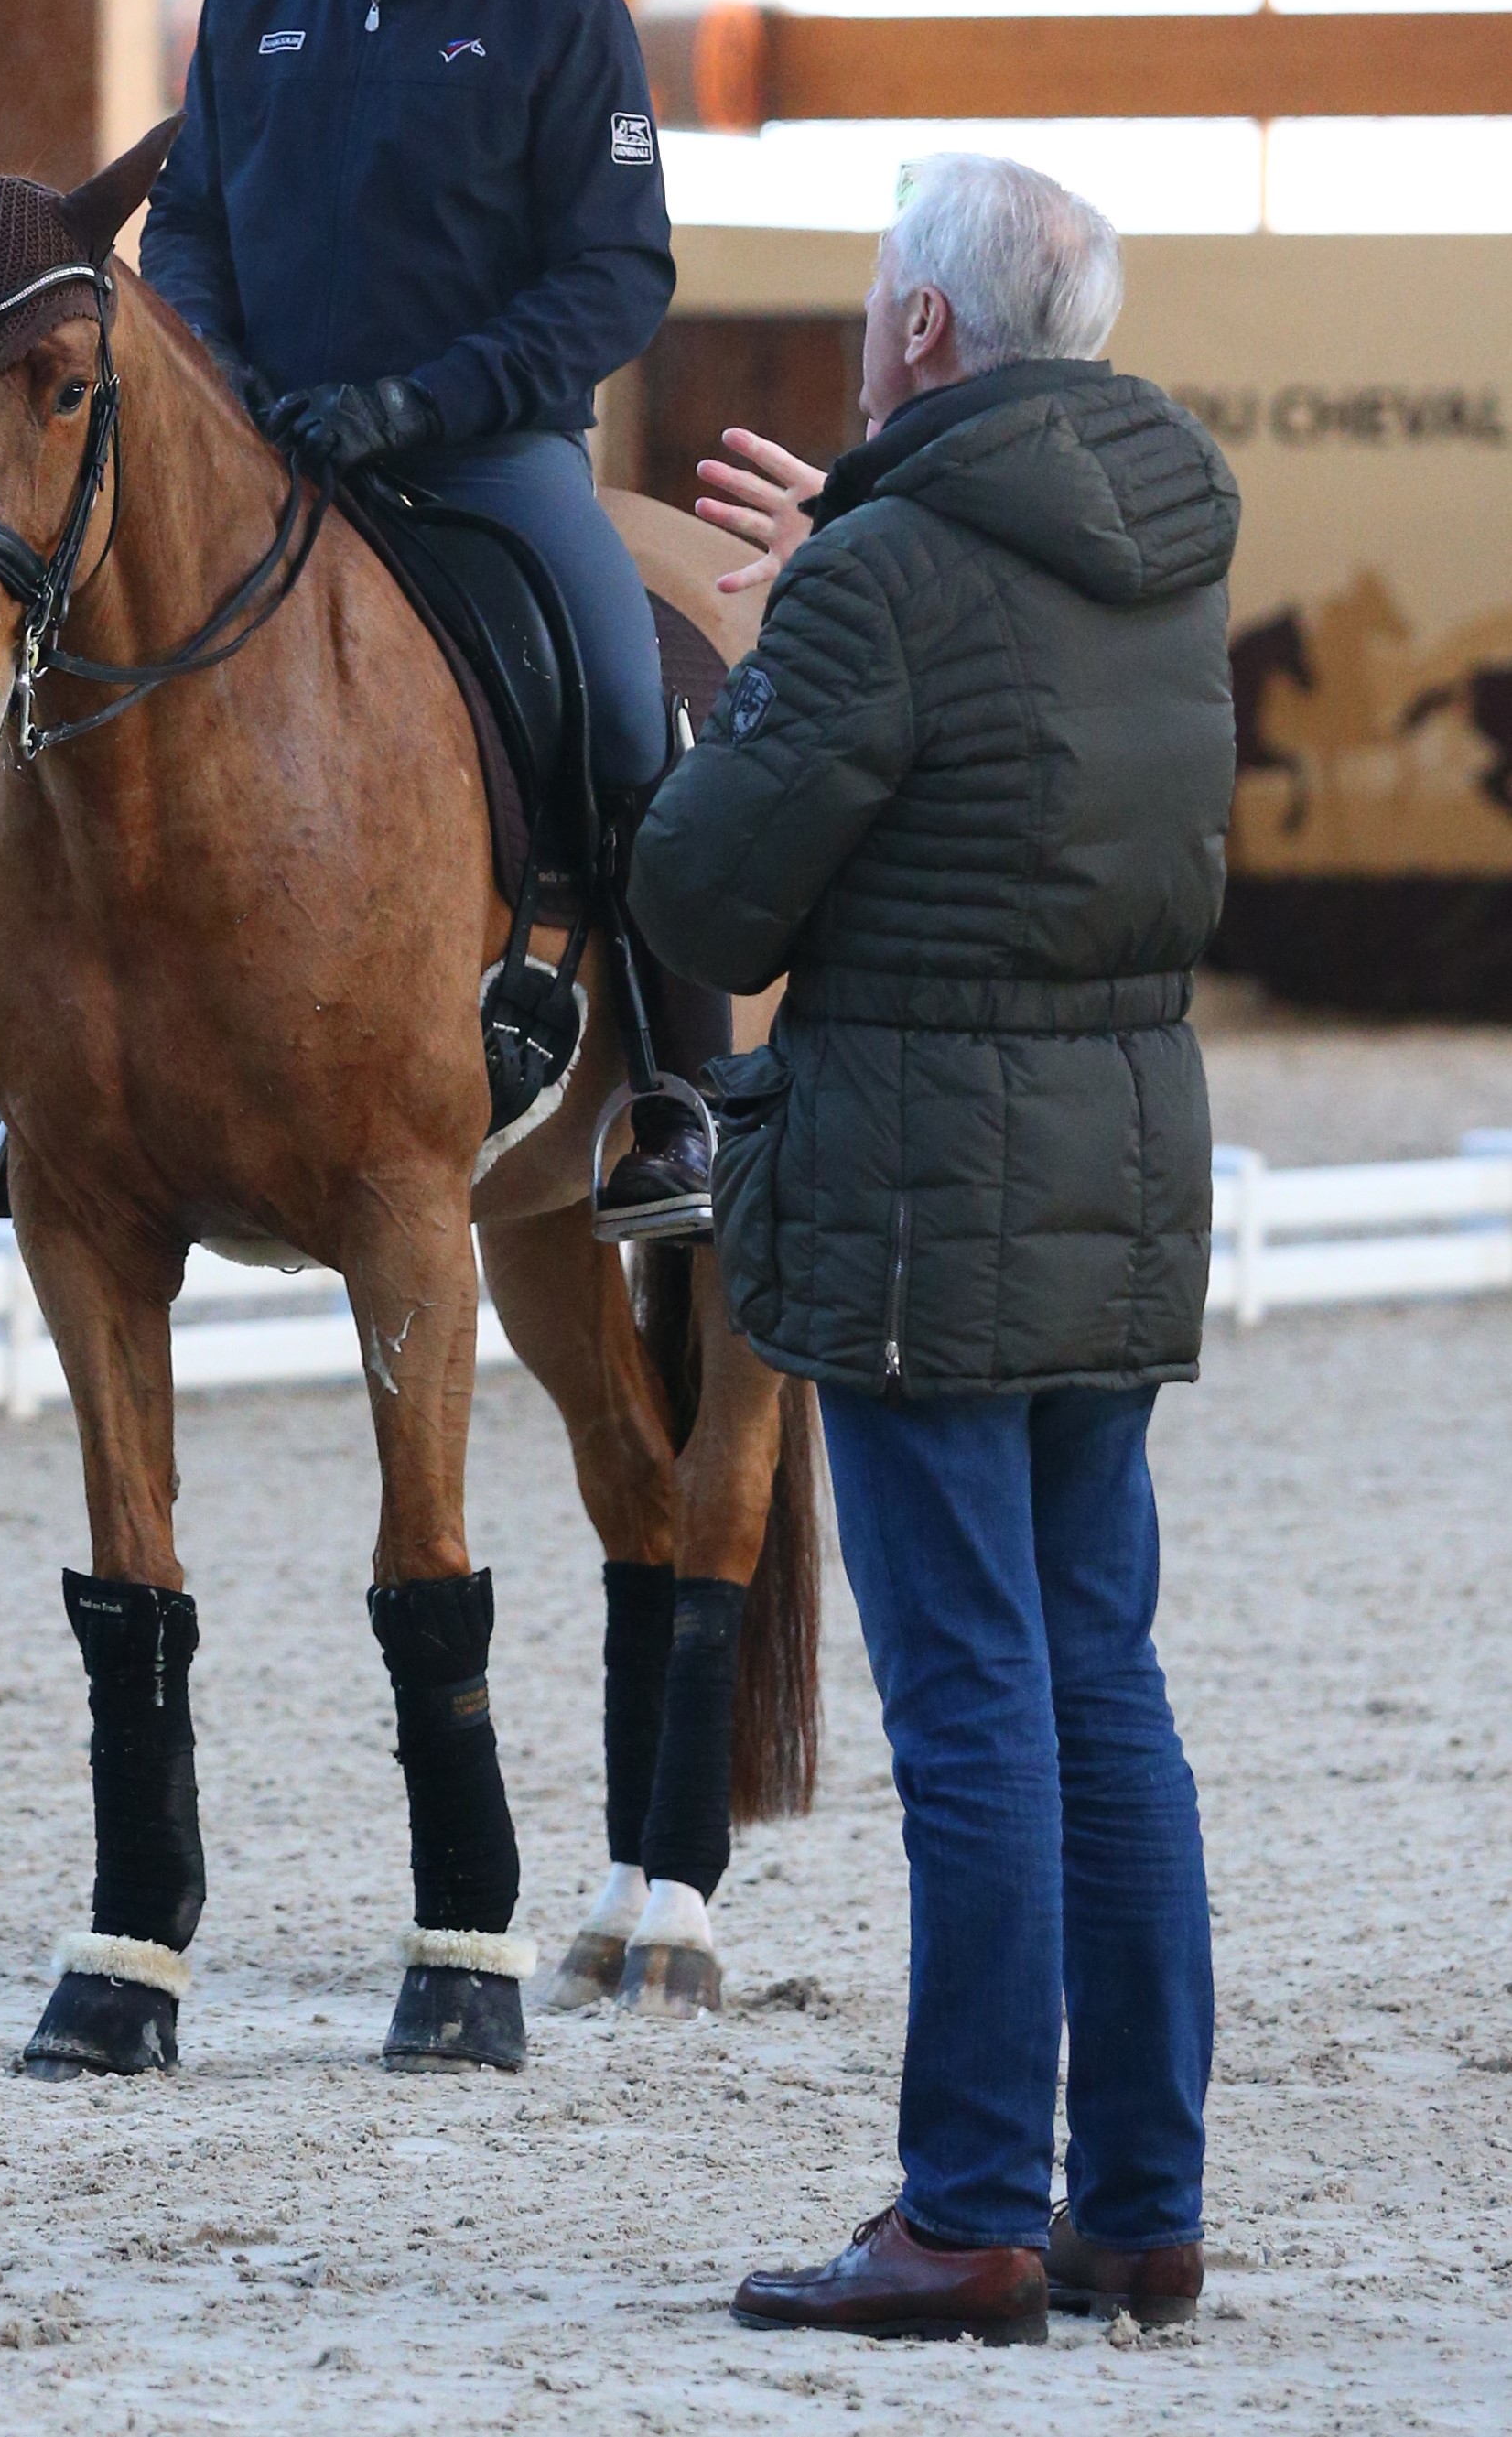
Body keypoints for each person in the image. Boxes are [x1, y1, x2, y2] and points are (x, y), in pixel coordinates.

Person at [630, 154, 1238, 2344]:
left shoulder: (880, 580)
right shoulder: (1168, 545)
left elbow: (708, 898)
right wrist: (851, 583)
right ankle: (1138, 2202)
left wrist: (792, 631)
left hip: (918, 1185)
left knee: (974, 1700)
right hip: (1122, 1156)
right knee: (1106, 1683)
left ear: (917, 338)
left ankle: (972, 2203)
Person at [141, 0, 719, 1225]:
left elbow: (617, 275)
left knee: (622, 711)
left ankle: (675, 1097)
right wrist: (223, 375)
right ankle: (38, 1083)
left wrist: (426, 396)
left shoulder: (563, 18)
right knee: (72, 665)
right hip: (268, 449)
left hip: (482, 459)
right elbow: (184, 225)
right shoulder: (251, 1)